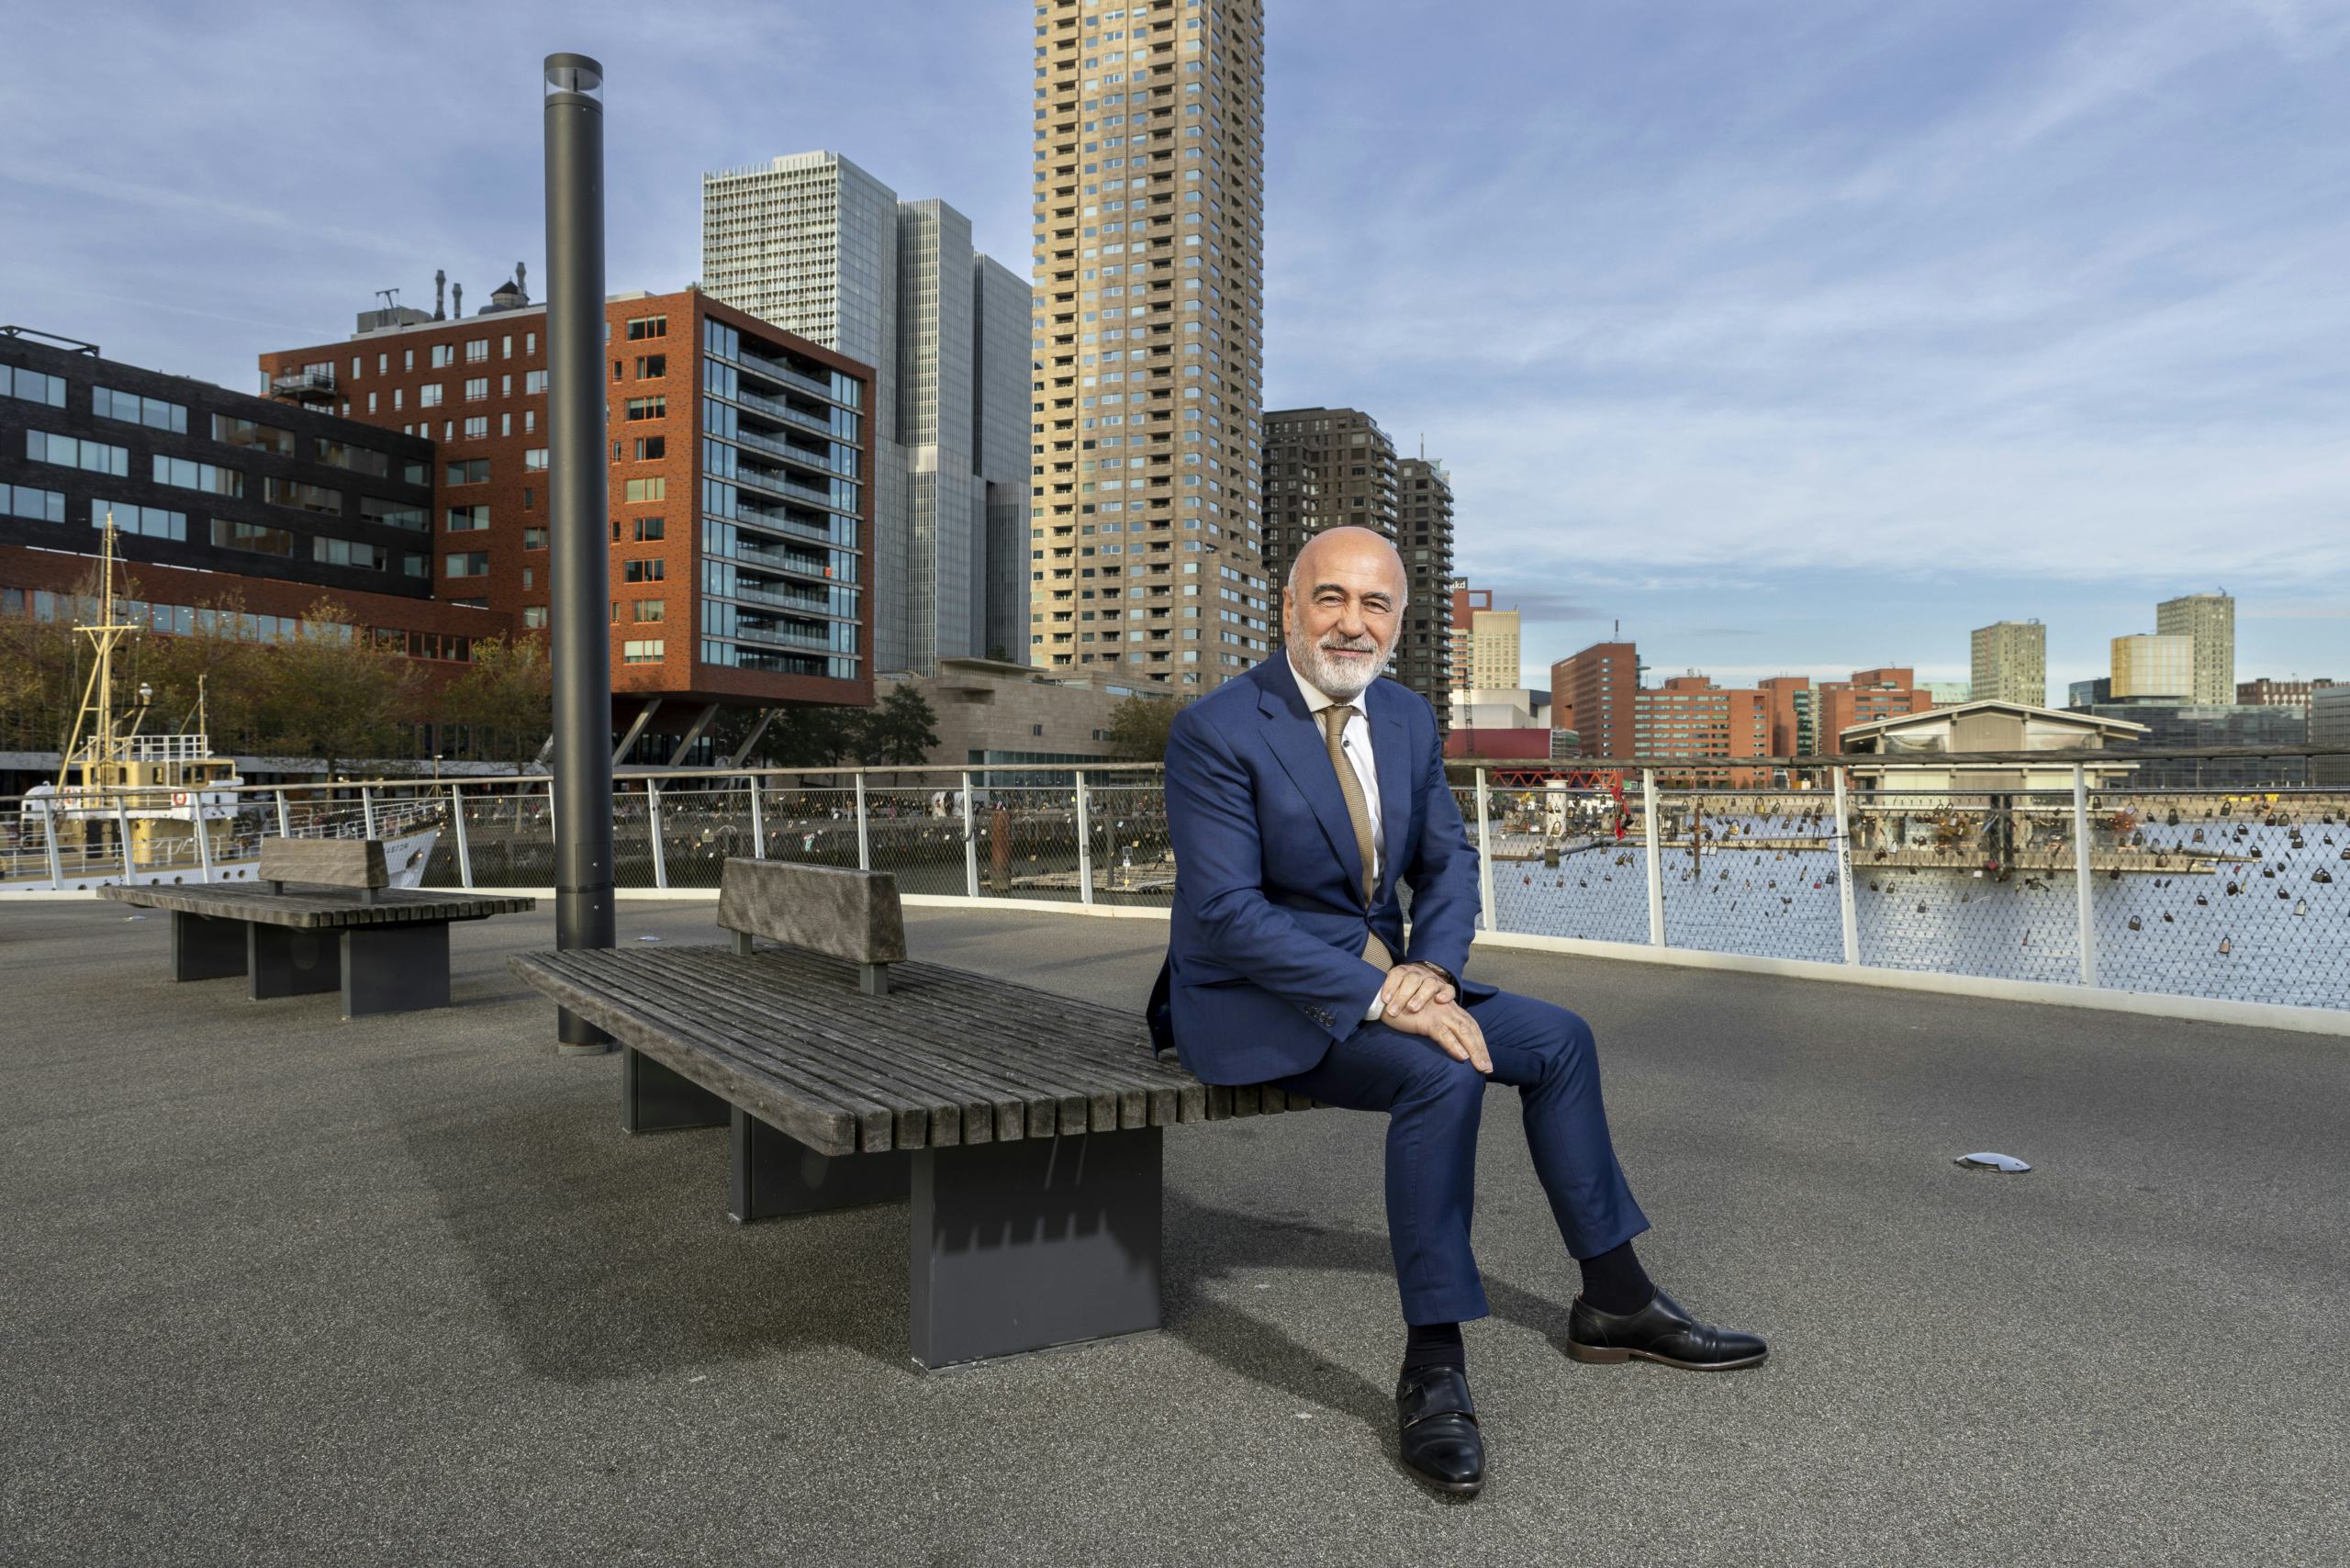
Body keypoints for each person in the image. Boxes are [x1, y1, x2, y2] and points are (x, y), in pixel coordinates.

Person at [1147, 527, 1764, 1498]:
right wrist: (1382, 991)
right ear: (1289, 608)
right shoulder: (1218, 728)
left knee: (1559, 1038)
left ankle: (1614, 1300)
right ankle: (1432, 1363)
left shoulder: (1402, 718)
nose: (1353, 622)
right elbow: (1224, 917)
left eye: (1376, 604)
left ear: (1396, 621)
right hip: (1256, 1001)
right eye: (1332, 598)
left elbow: (1447, 863)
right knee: (1443, 1071)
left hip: (1394, 980)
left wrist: (1430, 964)